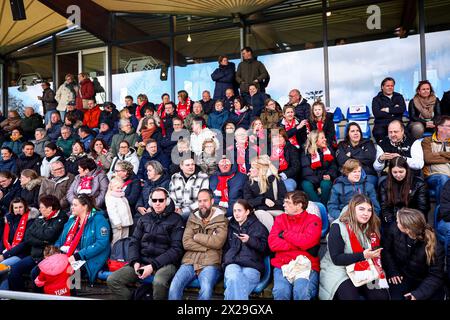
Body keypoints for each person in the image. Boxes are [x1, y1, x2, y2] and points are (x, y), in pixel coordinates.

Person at [107, 187, 184, 300]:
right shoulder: (144, 218)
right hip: (142, 261)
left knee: (159, 282)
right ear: (150, 202)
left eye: (161, 200)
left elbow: (176, 250)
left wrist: (153, 266)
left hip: (165, 264)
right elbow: (134, 242)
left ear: (167, 201)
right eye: (154, 200)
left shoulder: (177, 220)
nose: (157, 203)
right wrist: (135, 261)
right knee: (113, 279)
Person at [319, 194, 389, 300]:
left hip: (365, 265)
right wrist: (363, 255)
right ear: (352, 209)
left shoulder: (372, 225)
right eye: (361, 209)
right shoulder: (338, 226)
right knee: (350, 297)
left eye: (369, 210)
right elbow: (336, 259)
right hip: (339, 269)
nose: (366, 214)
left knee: (381, 296)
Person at [168, 189, 228, 300]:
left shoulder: (221, 219)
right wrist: (208, 245)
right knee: (174, 287)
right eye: (200, 201)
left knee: (206, 290)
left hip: (210, 263)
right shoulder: (192, 217)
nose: (202, 204)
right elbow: (186, 243)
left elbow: (218, 242)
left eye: (205, 201)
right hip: (189, 261)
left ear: (212, 201)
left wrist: (196, 237)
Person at [7, 195, 67, 292]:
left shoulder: (61, 218)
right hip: (34, 254)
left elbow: (50, 236)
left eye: (42, 207)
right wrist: (43, 241)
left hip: (46, 256)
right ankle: (20, 295)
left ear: (50, 208)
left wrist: (37, 235)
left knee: (35, 273)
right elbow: (27, 237)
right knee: (13, 270)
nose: (39, 209)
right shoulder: (40, 218)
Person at [382, 208, 445, 300]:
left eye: (398, 221)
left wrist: (418, 294)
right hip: (402, 275)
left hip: (424, 281)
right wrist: (393, 271)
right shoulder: (393, 229)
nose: (396, 222)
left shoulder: (435, 246)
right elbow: (386, 251)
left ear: (407, 229)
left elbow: (436, 275)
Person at [269, 191, 322, 300]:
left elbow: (307, 242)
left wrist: (285, 234)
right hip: (282, 263)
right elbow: (273, 244)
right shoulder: (280, 219)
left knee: (301, 291)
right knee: (280, 292)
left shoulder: (314, 220)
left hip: (306, 263)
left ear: (299, 205)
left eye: (288, 202)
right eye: (284, 202)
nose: (284, 205)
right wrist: (298, 244)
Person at [54, 194, 110, 285]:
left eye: (75, 205)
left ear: (85, 206)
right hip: (67, 256)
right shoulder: (72, 220)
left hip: (87, 260)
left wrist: (78, 256)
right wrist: (55, 251)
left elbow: (101, 243)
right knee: (38, 271)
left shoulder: (98, 219)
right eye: (72, 205)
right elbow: (60, 240)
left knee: (67, 274)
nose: (72, 207)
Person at [223, 200, 268, 300]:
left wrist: (250, 240)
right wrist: (226, 260)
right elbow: (226, 247)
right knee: (234, 279)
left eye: (239, 210)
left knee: (234, 287)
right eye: (234, 211)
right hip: (232, 263)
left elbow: (265, 249)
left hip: (252, 266)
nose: (236, 214)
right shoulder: (231, 226)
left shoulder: (259, 227)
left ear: (247, 212)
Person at [0, 198, 39, 290]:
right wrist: (1, 253)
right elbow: (3, 239)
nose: (18, 210)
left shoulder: (31, 221)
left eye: (20, 207)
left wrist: (4, 256)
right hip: (8, 251)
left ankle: (5, 295)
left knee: (2, 267)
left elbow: (25, 244)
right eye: (16, 208)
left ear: (25, 207)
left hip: (22, 254)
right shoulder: (10, 220)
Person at [379, 157, 429, 227]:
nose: (398, 175)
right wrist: (393, 224)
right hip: (393, 220)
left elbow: (422, 208)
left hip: (413, 220)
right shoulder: (384, 184)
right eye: (395, 172)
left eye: (401, 171)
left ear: (407, 170)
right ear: (390, 171)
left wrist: (409, 222)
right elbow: (385, 207)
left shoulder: (418, 184)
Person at [244, 155, 287, 232]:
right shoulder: (249, 183)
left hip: (276, 211)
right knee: (262, 214)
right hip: (259, 213)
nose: (250, 169)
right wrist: (263, 200)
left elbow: (285, 199)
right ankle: (271, 238)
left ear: (260, 169)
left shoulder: (275, 180)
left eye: (252, 168)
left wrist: (273, 203)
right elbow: (248, 202)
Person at [300, 130, 338, 205]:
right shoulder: (306, 152)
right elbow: (307, 172)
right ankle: (319, 207)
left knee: (326, 184)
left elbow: (333, 165)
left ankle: (324, 207)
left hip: (324, 178)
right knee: (305, 184)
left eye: (325, 137)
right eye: (322, 138)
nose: (325, 139)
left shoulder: (328, 150)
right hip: (311, 179)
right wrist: (319, 181)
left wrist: (330, 175)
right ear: (315, 141)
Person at [336, 122, 377, 187]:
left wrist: (350, 156)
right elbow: (341, 161)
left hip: (366, 173)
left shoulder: (368, 143)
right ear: (348, 134)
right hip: (347, 174)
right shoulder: (342, 145)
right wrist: (362, 155)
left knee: (369, 183)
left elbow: (370, 158)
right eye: (352, 131)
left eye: (358, 131)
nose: (356, 133)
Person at [169, 156, 209, 221]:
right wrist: (176, 207)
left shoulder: (203, 177)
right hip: (177, 210)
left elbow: (203, 199)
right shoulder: (175, 177)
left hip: (196, 210)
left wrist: (183, 210)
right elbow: (172, 196)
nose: (191, 167)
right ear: (181, 166)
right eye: (187, 165)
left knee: (176, 218)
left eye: (192, 164)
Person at [421, 115, 450, 205]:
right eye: (448, 126)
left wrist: (439, 153)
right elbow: (428, 158)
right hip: (433, 176)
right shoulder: (427, 141)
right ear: (439, 127)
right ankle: (442, 213)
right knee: (443, 178)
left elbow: (433, 157)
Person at [371, 77, 407, 143]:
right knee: (378, 133)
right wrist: (395, 110)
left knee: (407, 134)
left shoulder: (399, 96)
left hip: (397, 124)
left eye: (392, 86)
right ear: (382, 87)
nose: (390, 87)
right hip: (381, 125)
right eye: (388, 86)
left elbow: (402, 109)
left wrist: (388, 110)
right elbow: (377, 114)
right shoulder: (376, 99)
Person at [105, 177, 133, 246]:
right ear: (112, 187)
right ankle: (114, 254)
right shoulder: (110, 197)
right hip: (118, 224)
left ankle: (123, 253)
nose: (120, 189)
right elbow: (112, 212)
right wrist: (117, 223)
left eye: (121, 188)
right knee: (117, 239)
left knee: (125, 239)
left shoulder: (122, 196)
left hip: (126, 222)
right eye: (118, 188)